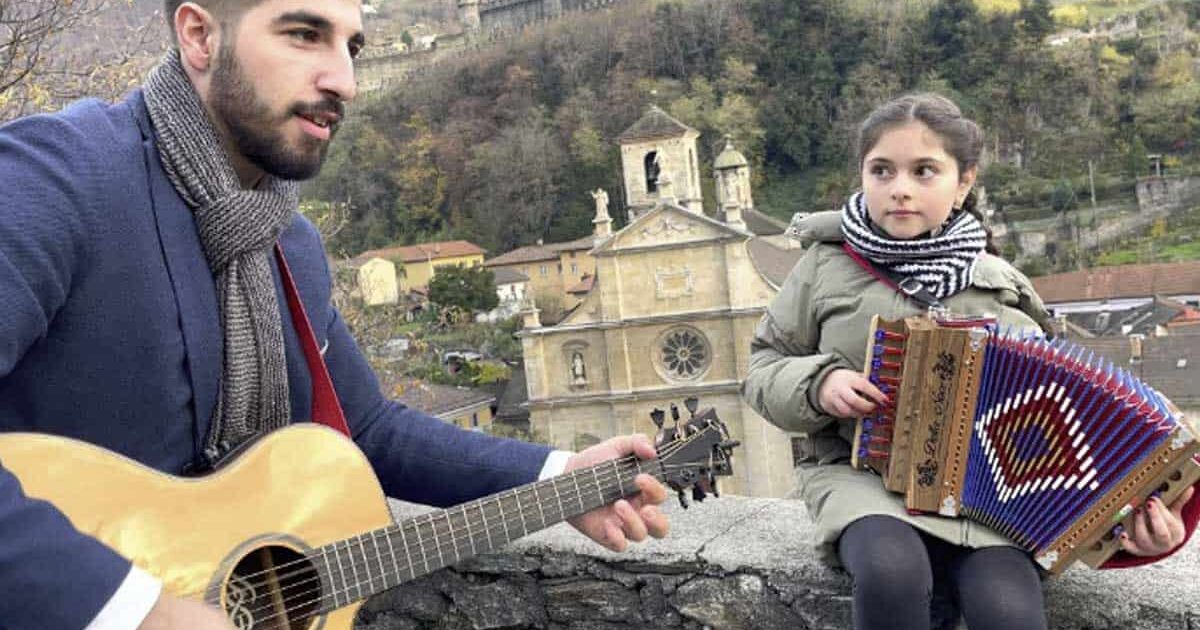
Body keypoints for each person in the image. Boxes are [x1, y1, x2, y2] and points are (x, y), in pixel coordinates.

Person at [0, 1, 668, 628]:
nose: (344, 80)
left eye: (352, 46)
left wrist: (556, 478)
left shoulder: (291, 245)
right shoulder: (56, 180)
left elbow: (367, 428)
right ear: (200, 37)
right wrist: (142, 612)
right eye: (303, 34)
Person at [741, 93, 1199, 630]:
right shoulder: (824, 266)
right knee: (893, 572)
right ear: (862, 174)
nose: (900, 188)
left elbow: (1074, 423)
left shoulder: (1005, 288)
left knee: (1007, 608)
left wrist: (1158, 521)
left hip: (990, 506)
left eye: (925, 171)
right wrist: (819, 383)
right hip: (861, 477)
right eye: (881, 170)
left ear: (963, 182)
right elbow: (763, 366)